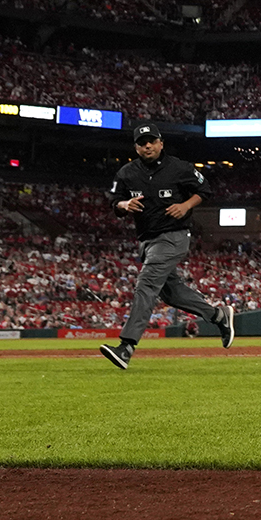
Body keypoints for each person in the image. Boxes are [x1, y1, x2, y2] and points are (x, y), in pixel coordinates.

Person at [99, 123, 235, 370]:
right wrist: (123, 205)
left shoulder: (179, 167)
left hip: (174, 236)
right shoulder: (127, 172)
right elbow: (113, 200)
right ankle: (218, 315)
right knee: (171, 293)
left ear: (161, 143)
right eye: (142, 142)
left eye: (151, 141)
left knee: (146, 284)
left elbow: (205, 190)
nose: (147, 145)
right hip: (147, 241)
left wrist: (186, 205)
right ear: (136, 147)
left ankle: (126, 347)